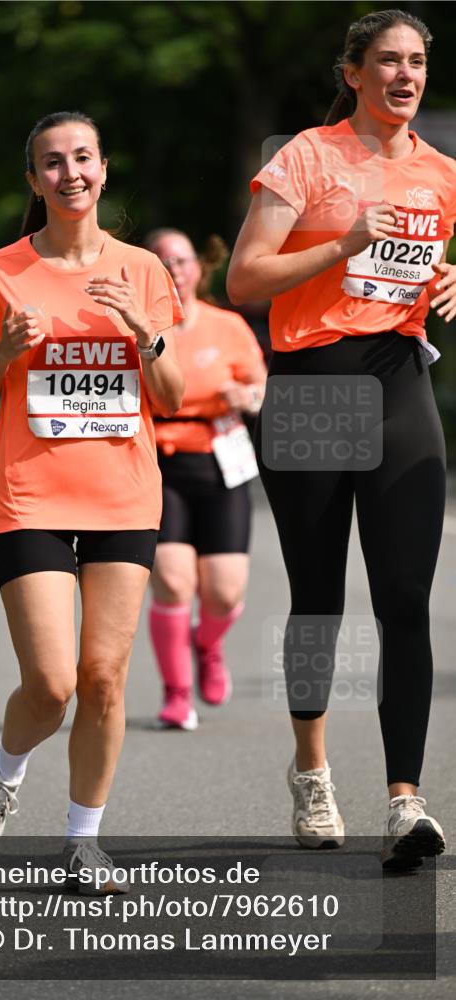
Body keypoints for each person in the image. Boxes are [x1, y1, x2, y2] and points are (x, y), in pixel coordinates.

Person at [227, 8, 456, 869]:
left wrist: (449, 277)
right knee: (318, 596)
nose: (405, 76)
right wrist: (341, 243)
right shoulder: (306, 157)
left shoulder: (441, 173)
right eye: (388, 62)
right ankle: (313, 771)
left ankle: (405, 798)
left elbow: (423, 262)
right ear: (352, 72)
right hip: (312, 385)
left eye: (417, 63)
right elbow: (243, 277)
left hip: (400, 381)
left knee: (404, 597)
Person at [0, 110, 183, 888]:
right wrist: (10, 351)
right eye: (52, 163)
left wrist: (143, 334)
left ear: (103, 169)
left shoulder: (144, 270)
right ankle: (4, 769)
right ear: (34, 181)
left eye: (81, 158)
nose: (69, 173)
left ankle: (82, 840)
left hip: (122, 499)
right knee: (51, 683)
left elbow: (171, 394)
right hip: (31, 498)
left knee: (104, 678)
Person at [145, 229, 266, 731]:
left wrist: (249, 396)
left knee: (223, 592)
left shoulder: (228, 325)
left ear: (198, 267)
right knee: (173, 581)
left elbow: (259, 387)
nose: (174, 267)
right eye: (162, 260)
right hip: (159, 460)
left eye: (182, 258)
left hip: (222, 460)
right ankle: (176, 694)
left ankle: (207, 645)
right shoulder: (136, 328)